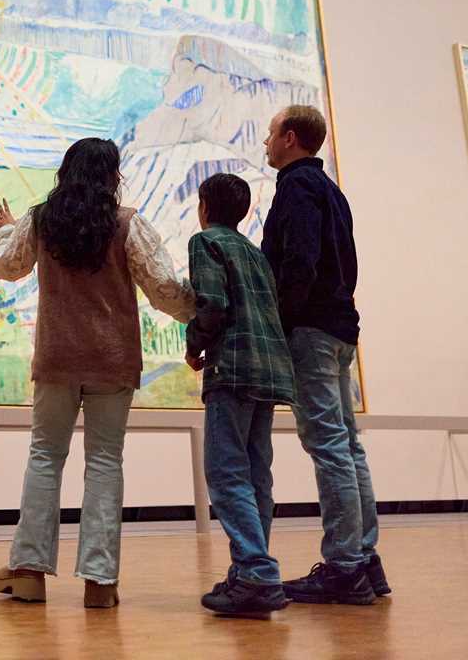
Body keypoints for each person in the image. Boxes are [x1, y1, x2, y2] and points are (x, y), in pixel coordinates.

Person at [0, 137, 195, 608]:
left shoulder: (41, 220)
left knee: (44, 457)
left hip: (58, 358)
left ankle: (28, 570)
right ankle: (100, 582)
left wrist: (5, 230)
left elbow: (5, 266)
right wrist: (203, 314)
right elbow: (163, 288)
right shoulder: (127, 224)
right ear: (112, 176)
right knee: (104, 463)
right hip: (113, 360)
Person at [261, 105, 389, 605]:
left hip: (312, 330)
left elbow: (299, 260)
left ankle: (343, 566)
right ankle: (364, 558)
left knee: (329, 445)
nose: (266, 142)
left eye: (271, 134)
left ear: (290, 138)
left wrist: (284, 318)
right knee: (348, 445)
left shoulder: (296, 188)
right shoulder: (332, 191)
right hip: (339, 329)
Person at [184, 173, 295, 615]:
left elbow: (211, 303)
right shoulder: (256, 252)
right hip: (270, 373)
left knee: (227, 472)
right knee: (255, 473)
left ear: (205, 206)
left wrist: (194, 344)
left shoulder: (205, 241)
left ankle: (256, 573)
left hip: (231, 368)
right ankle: (250, 569)